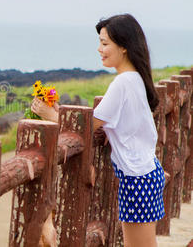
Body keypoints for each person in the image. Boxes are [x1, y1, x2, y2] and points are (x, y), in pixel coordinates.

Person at [31, 13, 165, 247]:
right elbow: (96, 120)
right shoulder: (133, 79)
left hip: (138, 177)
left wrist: (49, 115)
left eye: (105, 43)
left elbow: (87, 127)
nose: (99, 49)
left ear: (124, 47)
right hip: (143, 173)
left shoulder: (123, 83)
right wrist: (60, 110)